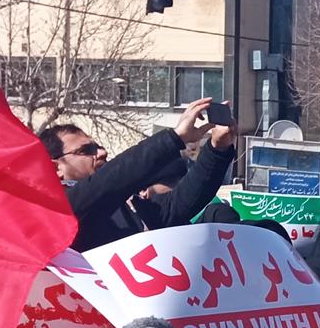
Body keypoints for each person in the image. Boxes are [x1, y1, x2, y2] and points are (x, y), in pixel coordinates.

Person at [39, 97, 234, 252]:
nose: (102, 152)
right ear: (56, 168)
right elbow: (112, 179)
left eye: (97, 146)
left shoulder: (125, 205)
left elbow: (176, 206)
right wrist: (175, 138)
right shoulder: (58, 210)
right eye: (86, 150)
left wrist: (218, 148)